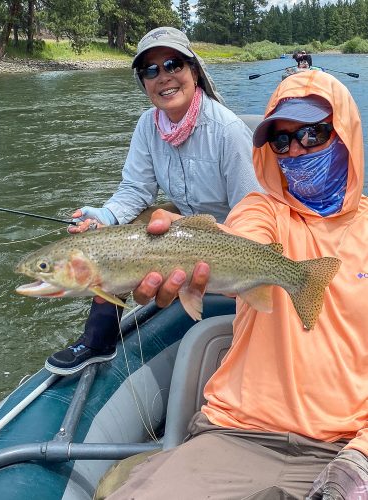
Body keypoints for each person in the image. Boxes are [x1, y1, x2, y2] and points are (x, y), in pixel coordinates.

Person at [106, 70, 368, 499]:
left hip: (345, 448)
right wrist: (183, 246)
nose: (296, 150)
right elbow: (241, 245)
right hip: (237, 434)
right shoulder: (259, 210)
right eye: (281, 142)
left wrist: (362, 455)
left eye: (313, 134)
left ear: (345, 134)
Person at [45, 26, 260, 375]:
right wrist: (104, 216)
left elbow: (254, 212)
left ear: (194, 71)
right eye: (151, 70)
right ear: (143, 82)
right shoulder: (148, 125)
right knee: (120, 232)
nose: (164, 77)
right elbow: (135, 190)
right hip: (187, 223)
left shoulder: (228, 131)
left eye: (173, 64)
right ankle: (98, 340)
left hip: (230, 229)